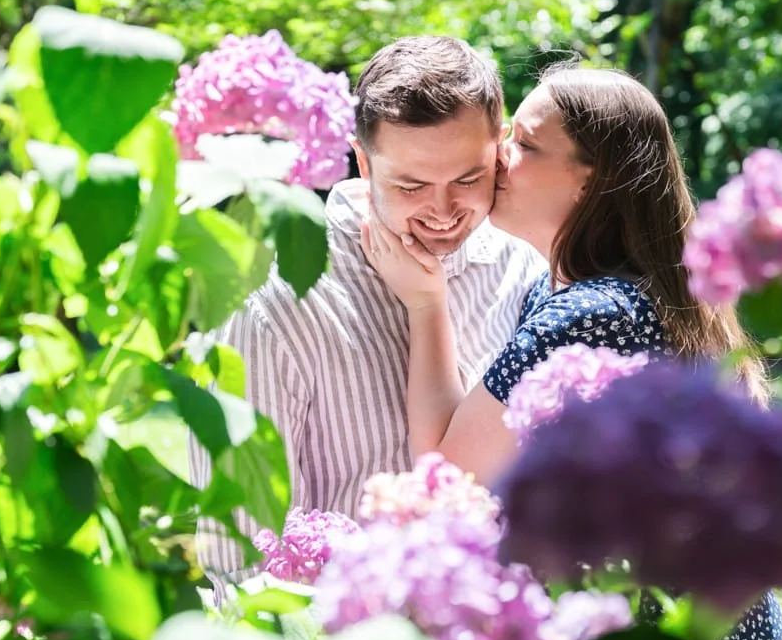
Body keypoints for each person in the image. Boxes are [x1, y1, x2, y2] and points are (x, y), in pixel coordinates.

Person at [361, 64, 782, 640]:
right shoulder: (583, 291)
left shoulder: (594, 314)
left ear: (590, 181)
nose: (499, 156)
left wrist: (426, 304)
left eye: (525, 145)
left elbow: (449, 476)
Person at [190, 36, 544, 589]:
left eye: (469, 179)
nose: (444, 211)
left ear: (501, 147)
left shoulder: (523, 267)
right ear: (361, 160)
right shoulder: (273, 305)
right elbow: (239, 556)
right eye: (411, 185)